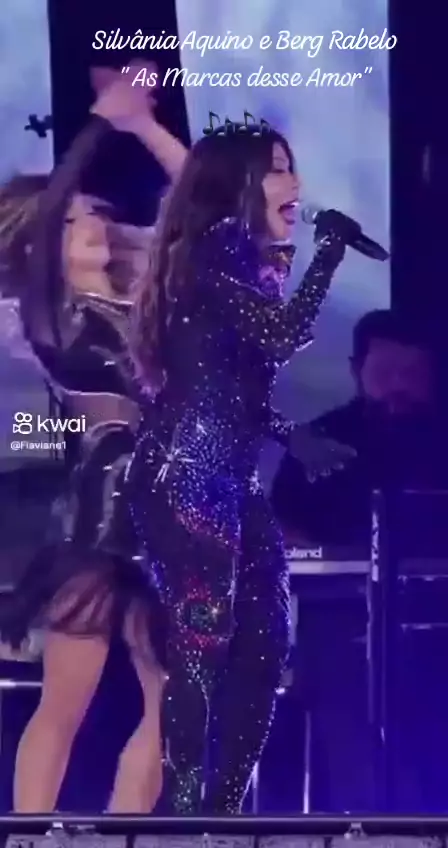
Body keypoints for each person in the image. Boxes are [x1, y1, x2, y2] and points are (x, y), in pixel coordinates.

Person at [126, 119, 353, 814]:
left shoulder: (239, 261)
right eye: (278, 168)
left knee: (264, 641)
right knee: (205, 640)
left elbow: (227, 387)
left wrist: (290, 435)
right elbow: (283, 338)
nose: (295, 183)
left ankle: (221, 813)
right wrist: (330, 251)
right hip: (187, 473)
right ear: (238, 183)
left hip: (228, 474)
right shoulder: (212, 250)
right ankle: (188, 820)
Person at [0, 69, 187, 812]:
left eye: (94, 214)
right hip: (101, 519)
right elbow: (47, 214)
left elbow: (205, 214)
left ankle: (125, 832)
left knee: (173, 701)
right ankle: (32, 834)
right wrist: (98, 126)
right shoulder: (51, 315)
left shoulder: (147, 303)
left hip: (169, 511)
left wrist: (145, 126)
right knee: (67, 699)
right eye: (74, 219)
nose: (94, 225)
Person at [271, 308, 444, 548]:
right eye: (384, 373)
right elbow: (278, 527)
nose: (399, 385)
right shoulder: (315, 442)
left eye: (413, 373)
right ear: (357, 370)